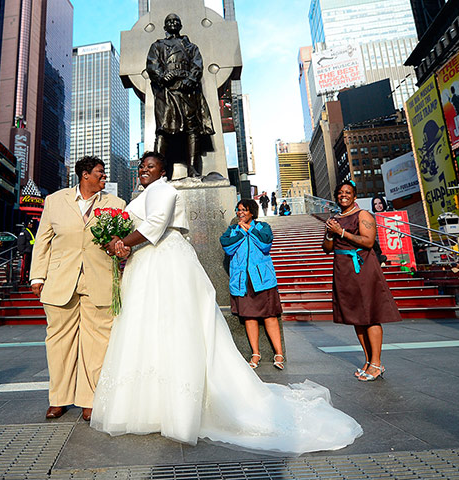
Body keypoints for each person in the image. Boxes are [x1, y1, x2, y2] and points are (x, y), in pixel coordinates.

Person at [92, 152, 362, 454]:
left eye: (150, 166)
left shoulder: (166, 191)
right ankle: (149, 405)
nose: (143, 169)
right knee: (147, 326)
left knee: (175, 324)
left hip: (165, 260)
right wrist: (119, 244)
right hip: (145, 262)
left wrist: (122, 243)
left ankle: (182, 406)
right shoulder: (140, 197)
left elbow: (155, 225)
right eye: (141, 166)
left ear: (163, 171)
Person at [30, 156, 126, 421]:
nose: (104, 177)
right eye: (99, 173)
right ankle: (58, 399)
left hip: (100, 279)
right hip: (61, 280)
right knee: (58, 342)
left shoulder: (116, 204)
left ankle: (90, 400)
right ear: (84, 175)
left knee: (98, 343)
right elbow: (43, 242)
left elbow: (121, 240)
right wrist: (37, 277)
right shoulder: (55, 201)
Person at [323, 181, 402, 382]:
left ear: (355, 196)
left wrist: (342, 232)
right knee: (357, 317)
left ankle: (377, 363)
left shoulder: (363, 215)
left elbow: (368, 241)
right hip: (343, 269)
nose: (343, 195)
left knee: (370, 314)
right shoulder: (333, 218)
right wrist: (331, 233)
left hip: (363, 267)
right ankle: (368, 361)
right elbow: (327, 248)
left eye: (348, 192)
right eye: (340, 193)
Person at [147, 13, 214, 178]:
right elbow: (152, 64)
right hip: (166, 93)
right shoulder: (157, 45)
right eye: (169, 21)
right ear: (165, 26)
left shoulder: (191, 47)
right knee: (163, 130)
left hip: (186, 91)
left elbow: (197, 65)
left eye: (176, 20)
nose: (173, 23)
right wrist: (162, 76)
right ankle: (159, 171)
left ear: (180, 25)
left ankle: (193, 168)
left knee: (192, 129)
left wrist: (190, 79)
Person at [221, 199, 285, 370]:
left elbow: (266, 244)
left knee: (270, 316)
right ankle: (255, 353)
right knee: (249, 317)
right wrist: (242, 232)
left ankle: (279, 353)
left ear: (252, 212)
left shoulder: (262, 227)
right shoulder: (233, 230)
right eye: (239, 210)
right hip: (242, 280)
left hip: (262, 280)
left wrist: (250, 230)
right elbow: (227, 246)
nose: (240, 213)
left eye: (244, 210)